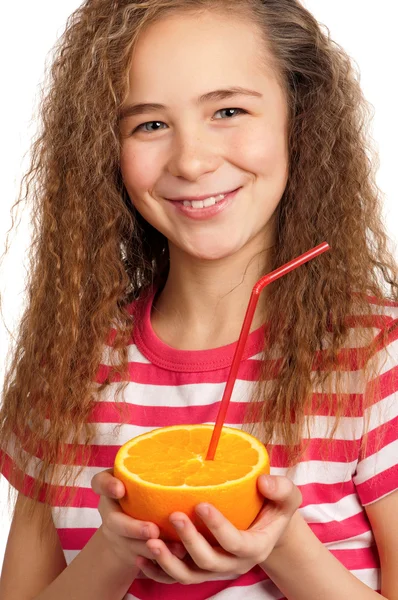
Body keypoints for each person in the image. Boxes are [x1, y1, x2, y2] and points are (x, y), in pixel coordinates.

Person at [0, 0, 397, 598]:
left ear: (301, 121)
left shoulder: (375, 357)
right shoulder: (66, 368)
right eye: (150, 124)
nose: (191, 160)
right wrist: (115, 551)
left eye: (228, 110)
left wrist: (281, 542)